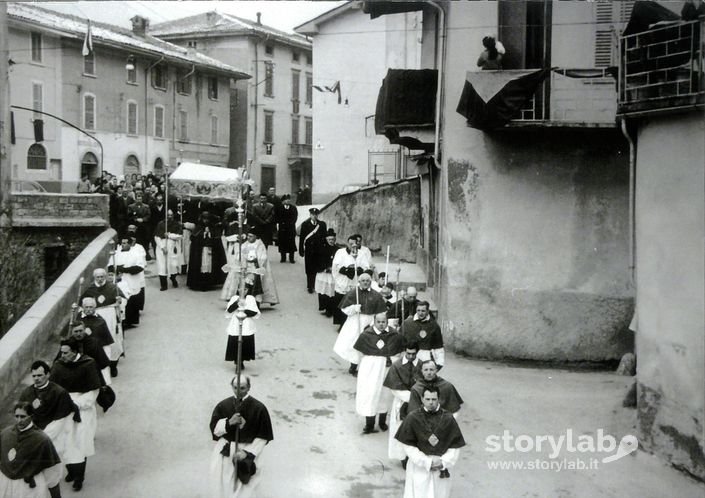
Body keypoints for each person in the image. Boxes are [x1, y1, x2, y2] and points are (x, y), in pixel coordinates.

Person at [50, 339, 103, 492]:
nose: (63, 355)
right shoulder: (59, 365)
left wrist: (76, 404)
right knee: (65, 441)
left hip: (82, 410)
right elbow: (53, 389)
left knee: (80, 442)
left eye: (66, 352)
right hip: (63, 408)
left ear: (75, 352)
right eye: (61, 352)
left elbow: (93, 392)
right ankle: (71, 471)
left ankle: (79, 477)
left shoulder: (88, 364)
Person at [394, 387, 466, 498]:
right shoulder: (413, 417)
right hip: (419, 467)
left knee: (440, 494)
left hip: (441, 467)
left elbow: (454, 445)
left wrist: (444, 462)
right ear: (422, 399)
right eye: (428, 399)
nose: (431, 402)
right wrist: (426, 462)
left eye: (434, 399)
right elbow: (408, 446)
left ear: (439, 399)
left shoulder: (448, 418)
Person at [209, 376, 274, 498]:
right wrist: (229, 422)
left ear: (249, 388)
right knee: (224, 484)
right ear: (231, 387)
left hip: (247, 451)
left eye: (242, 388)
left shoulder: (259, 408)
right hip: (226, 452)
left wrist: (248, 453)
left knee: (246, 488)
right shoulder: (223, 405)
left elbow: (263, 436)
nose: (238, 391)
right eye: (235, 388)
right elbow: (215, 431)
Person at [19, 361, 79, 465]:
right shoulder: (26, 393)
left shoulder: (59, 392)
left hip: (54, 433)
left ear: (48, 374)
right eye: (34, 376)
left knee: (53, 463)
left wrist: (41, 438)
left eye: (40, 375)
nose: (36, 378)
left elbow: (60, 421)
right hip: (34, 434)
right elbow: (22, 416)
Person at [353, 313, 403, 434]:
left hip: (388, 367)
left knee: (385, 394)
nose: (381, 324)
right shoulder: (366, 335)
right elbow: (360, 353)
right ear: (374, 322)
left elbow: (400, 352)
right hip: (371, 368)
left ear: (387, 322)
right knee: (370, 393)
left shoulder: (394, 334)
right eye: (379, 322)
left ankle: (382, 421)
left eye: (383, 322)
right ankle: (369, 423)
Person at [0, 402, 63, 498]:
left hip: (28, 489)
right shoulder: (6, 434)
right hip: (6, 485)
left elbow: (51, 472)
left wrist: (56, 496)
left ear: (31, 416)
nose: (19, 420)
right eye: (16, 416)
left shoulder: (41, 439)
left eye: (23, 416)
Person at [333, 273, 387, 376]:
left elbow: (381, 312)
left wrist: (374, 322)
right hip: (355, 320)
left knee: (368, 345)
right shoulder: (354, 293)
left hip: (370, 320)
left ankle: (366, 368)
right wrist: (354, 308)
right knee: (355, 343)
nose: (365, 282)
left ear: (370, 282)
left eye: (367, 280)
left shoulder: (376, 295)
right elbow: (344, 309)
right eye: (363, 281)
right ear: (359, 282)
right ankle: (353, 367)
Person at [384, 341, 422, 465]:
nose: (411, 356)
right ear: (405, 351)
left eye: (413, 354)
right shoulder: (396, 366)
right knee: (400, 429)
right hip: (401, 401)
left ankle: (413, 457)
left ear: (417, 352)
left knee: (416, 429)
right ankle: (402, 457)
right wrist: (411, 397)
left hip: (419, 403)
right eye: (408, 353)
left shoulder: (422, 365)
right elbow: (394, 388)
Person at [331, 235, 372, 327]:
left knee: (352, 305)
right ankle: (341, 324)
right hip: (343, 281)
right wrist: (348, 269)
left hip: (355, 281)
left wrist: (358, 269)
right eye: (350, 244)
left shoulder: (361, 254)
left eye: (355, 244)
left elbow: (366, 267)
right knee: (342, 304)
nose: (353, 246)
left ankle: (349, 325)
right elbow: (336, 266)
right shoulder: (340, 252)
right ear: (347, 244)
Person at [76, 296, 120, 378]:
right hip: (81, 352)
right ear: (83, 308)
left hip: (97, 353)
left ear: (95, 308)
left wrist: (106, 357)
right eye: (86, 307)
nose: (89, 309)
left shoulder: (100, 321)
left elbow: (106, 343)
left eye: (91, 307)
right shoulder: (77, 319)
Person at [188, 211, 227, 291]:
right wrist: (203, 234)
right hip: (200, 251)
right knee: (201, 266)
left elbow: (217, 240)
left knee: (210, 267)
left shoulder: (213, 227)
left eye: (207, 219)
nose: (206, 221)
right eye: (204, 219)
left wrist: (210, 234)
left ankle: (209, 283)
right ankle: (199, 284)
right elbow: (193, 238)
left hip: (210, 251)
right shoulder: (198, 227)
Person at [240, 229, 279, 306]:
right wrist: (244, 261)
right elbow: (241, 255)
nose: (248, 238)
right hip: (247, 268)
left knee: (256, 285)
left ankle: (256, 302)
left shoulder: (260, 245)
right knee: (246, 285)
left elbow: (263, 257)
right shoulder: (244, 245)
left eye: (250, 236)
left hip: (256, 268)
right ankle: (244, 302)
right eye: (247, 236)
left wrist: (255, 260)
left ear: (255, 237)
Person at [401, 301, 445, 368]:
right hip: (410, 356)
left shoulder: (434, 326)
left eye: (423, 311)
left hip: (426, 358)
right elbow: (400, 340)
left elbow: (438, 347)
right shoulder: (407, 323)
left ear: (427, 311)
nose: (420, 313)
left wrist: (439, 363)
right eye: (418, 310)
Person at [225, 294, 261, 371]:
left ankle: (241, 360)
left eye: (245, 289)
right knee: (235, 342)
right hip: (235, 324)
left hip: (247, 325)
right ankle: (237, 362)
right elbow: (229, 311)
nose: (243, 291)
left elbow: (255, 312)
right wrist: (237, 303)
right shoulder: (235, 298)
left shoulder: (250, 298)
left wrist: (243, 311)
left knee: (245, 343)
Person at [115, 236, 144, 328]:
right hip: (121, 281)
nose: (123, 245)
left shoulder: (136, 254)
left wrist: (125, 269)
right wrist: (117, 269)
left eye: (125, 243)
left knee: (132, 299)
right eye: (122, 243)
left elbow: (139, 267)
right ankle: (123, 321)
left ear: (130, 244)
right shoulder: (116, 254)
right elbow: (111, 265)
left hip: (132, 280)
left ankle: (131, 321)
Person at [298, 208, 327, 293]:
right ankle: (310, 286)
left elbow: (324, 237)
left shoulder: (322, 224)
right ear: (310, 215)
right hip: (309, 250)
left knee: (317, 267)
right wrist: (301, 250)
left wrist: (325, 249)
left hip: (319, 250)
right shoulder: (305, 224)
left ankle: (315, 285)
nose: (314, 216)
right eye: (313, 214)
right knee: (309, 268)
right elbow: (302, 238)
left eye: (316, 215)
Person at [154, 209, 184, 291]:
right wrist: (162, 247)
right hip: (162, 247)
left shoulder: (176, 224)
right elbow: (157, 237)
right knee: (162, 265)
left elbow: (180, 236)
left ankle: (173, 279)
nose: (169, 216)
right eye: (168, 215)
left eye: (171, 215)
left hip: (173, 246)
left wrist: (170, 235)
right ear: (165, 215)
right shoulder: (160, 224)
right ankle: (164, 285)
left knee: (173, 265)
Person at [314, 229, 340, 317]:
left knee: (331, 292)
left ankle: (330, 310)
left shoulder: (338, 250)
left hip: (333, 273)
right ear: (326, 239)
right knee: (323, 291)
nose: (331, 241)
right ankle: (324, 307)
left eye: (333, 240)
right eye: (329, 240)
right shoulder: (322, 248)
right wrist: (325, 268)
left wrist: (332, 268)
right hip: (323, 273)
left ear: (335, 240)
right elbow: (318, 260)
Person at [126, 191, 151, 259]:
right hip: (135, 226)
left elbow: (149, 215)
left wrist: (143, 219)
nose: (139, 200)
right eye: (138, 199)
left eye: (140, 199)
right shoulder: (131, 206)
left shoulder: (146, 206)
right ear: (135, 199)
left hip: (144, 227)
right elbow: (129, 215)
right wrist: (135, 219)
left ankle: (146, 253)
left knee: (145, 241)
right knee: (136, 240)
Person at [275, 195, 297, 263]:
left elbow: (295, 217)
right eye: (286, 200)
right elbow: (277, 217)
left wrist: (291, 223)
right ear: (283, 201)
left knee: (291, 243)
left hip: (291, 228)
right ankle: (283, 258)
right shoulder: (279, 208)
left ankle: (291, 258)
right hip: (282, 228)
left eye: (289, 200)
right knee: (282, 243)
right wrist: (282, 223)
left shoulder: (293, 208)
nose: (288, 201)